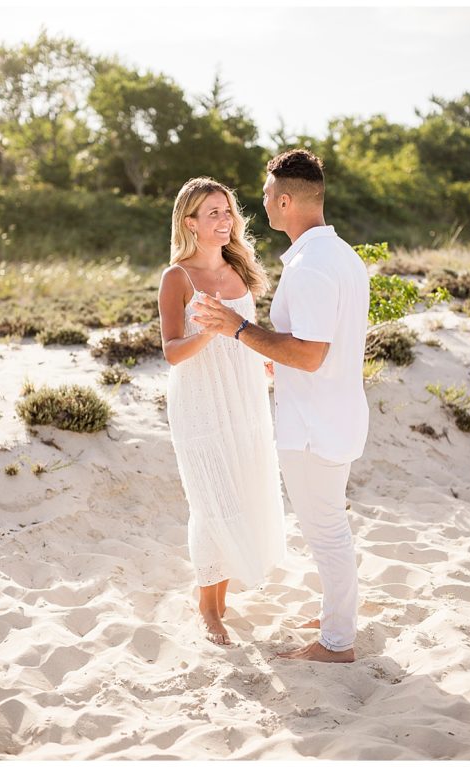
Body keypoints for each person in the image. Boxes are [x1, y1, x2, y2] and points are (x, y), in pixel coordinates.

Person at [193, 149, 369, 663]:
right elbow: (320, 346)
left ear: (286, 199)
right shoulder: (340, 256)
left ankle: (337, 643)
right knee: (331, 523)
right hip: (337, 415)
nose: (262, 201)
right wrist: (279, 359)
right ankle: (337, 614)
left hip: (315, 427)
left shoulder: (313, 266)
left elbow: (311, 354)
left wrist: (239, 329)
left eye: (268, 193)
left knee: (327, 532)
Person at [159, 177, 286, 646]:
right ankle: (207, 611)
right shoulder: (177, 278)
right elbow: (172, 352)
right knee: (211, 500)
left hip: (245, 395)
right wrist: (210, 333)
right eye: (212, 213)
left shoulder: (239, 270)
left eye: (227, 211)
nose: (224, 220)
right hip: (199, 400)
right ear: (189, 222)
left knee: (243, 487)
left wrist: (264, 357)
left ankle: (218, 594)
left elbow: (247, 331)